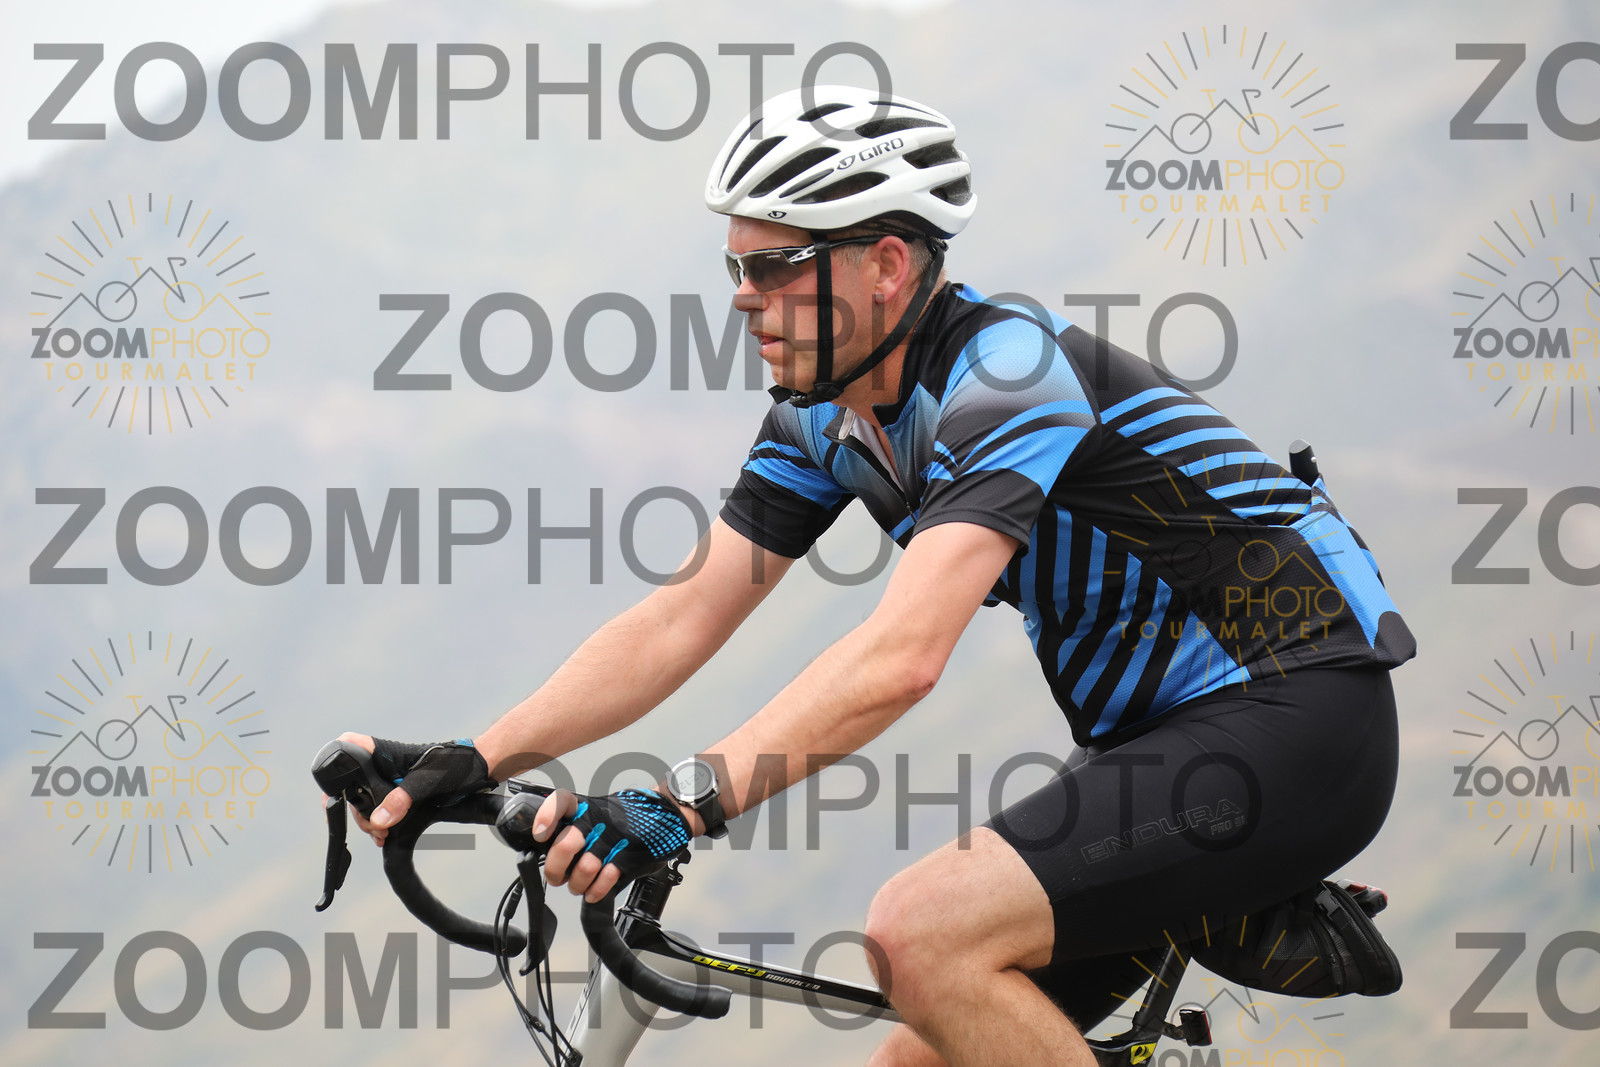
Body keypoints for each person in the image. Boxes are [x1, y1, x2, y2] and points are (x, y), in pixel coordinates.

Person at [340, 85, 1415, 1066]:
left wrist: (680, 803)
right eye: (735, 267)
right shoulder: (823, 418)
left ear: (886, 264)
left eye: (774, 266)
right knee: (916, 1058)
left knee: (919, 936)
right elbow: (682, 614)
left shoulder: (1009, 376)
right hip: (1150, 743)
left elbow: (902, 656)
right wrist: (473, 756)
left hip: (1297, 711)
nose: (744, 298)